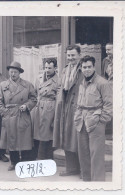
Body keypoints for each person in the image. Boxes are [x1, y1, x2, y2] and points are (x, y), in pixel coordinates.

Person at [74, 56, 112, 181]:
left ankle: (98, 184)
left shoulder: (103, 83)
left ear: (94, 67)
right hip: (82, 121)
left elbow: (109, 105)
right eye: (84, 67)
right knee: (83, 154)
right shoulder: (82, 83)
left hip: (96, 121)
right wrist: (77, 116)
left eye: (89, 67)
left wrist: (101, 121)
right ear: (81, 68)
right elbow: (79, 103)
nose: (87, 70)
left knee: (96, 155)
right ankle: (87, 181)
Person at [0, 61, 37, 171]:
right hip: (9, 115)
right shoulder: (3, 85)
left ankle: (24, 162)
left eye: (15, 72)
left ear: (19, 73)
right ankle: (14, 162)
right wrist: (4, 113)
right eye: (11, 72)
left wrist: (27, 105)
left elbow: (34, 99)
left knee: (24, 139)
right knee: (11, 139)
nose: (12, 74)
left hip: (22, 114)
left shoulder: (27, 85)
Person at [53, 45, 83, 177]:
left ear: (79, 55)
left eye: (73, 55)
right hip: (65, 107)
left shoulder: (84, 69)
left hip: (78, 107)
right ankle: (71, 168)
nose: (70, 58)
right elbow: (60, 87)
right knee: (66, 138)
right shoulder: (65, 70)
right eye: (69, 55)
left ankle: (83, 169)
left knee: (78, 139)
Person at [32, 58, 60, 160]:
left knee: (48, 136)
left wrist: (55, 116)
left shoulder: (58, 80)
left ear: (55, 68)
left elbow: (59, 99)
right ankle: (39, 158)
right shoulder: (39, 78)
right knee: (38, 136)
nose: (47, 70)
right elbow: (34, 93)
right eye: (46, 67)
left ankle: (46, 159)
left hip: (50, 109)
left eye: (50, 68)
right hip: (38, 108)